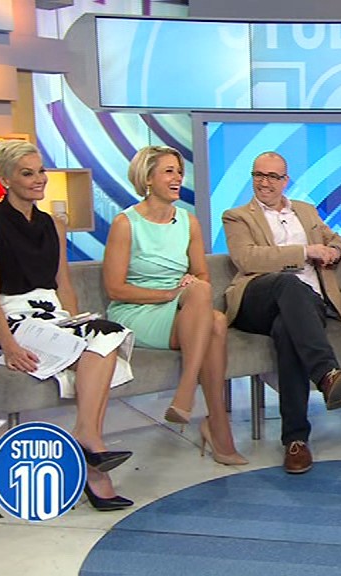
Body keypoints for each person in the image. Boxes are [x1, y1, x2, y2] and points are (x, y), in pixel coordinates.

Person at [0, 139, 135, 511]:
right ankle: (93, 460)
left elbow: (64, 284)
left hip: (55, 319)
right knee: (101, 349)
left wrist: (75, 322)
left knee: (107, 336)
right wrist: (9, 346)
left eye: (41, 171)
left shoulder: (53, 225)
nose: (39, 179)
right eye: (27, 173)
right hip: (14, 322)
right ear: (5, 179)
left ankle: (87, 439)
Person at [103, 146, 246, 466]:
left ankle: (192, 397)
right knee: (214, 321)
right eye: (169, 171)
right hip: (137, 309)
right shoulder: (125, 223)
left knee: (209, 306)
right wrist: (168, 295)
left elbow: (202, 275)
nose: (178, 177)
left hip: (182, 306)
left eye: (180, 172)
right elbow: (115, 288)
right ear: (147, 178)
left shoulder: (188, 222)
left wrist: (187, 286)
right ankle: (213, 421)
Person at [222, 151, 341, 475]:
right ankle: (326, 372)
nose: (264, 182)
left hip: (306, 303)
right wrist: (305, 252)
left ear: (285, 181)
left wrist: (333, 251)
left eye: (272, 176)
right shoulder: (237, 216)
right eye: (259, 175)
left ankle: (296, 441)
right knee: (287, 283)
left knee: (288, 329)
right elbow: (247, 259)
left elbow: (336, 240)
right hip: (257, 297)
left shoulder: (305, 211)